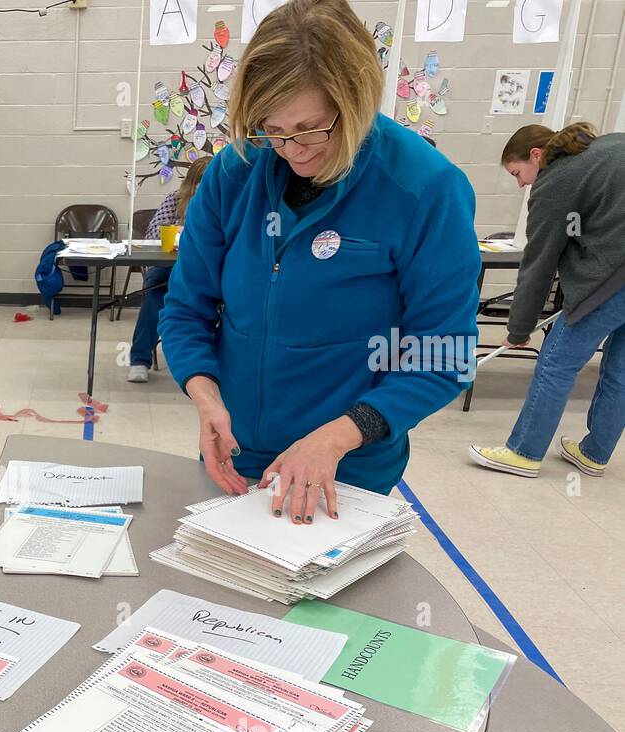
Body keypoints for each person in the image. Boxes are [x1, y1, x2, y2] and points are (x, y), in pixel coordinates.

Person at [160, 0, 479, 521]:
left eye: (310, 129)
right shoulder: (234, 172)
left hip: (347, 463)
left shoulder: (425, 188)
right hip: (237, 449)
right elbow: (186, 309)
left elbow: (442, 353)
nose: (292, 150)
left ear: (354, 102)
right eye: (272, 129)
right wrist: (205, 396)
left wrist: (339, 435)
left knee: (312, 599)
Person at [470, 122, 625, 478]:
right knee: (620, 370)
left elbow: (538, 265)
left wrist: (519, 327)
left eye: (518, 173)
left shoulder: (558, 181)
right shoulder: (607, 148)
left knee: (557, 363)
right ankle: (594, 453)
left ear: (537, 156)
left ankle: (524, 451)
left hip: (614, 277)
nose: (521, 183)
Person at [127, 156, 211, 384]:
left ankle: (213, 364)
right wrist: (178, 230)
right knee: (155, 295)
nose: (204, 189)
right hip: (169, 267)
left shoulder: (226, 203)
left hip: (207, 271)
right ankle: (139, 360)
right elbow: (154, 234)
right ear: (191, 183)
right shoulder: (175, 200)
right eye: (199, 183)